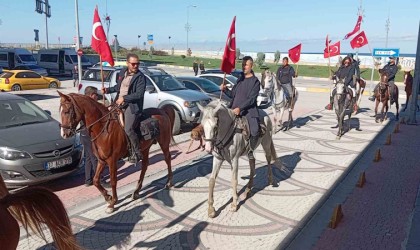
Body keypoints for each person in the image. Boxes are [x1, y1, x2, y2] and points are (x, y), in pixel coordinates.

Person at [102, 53, 146, 163]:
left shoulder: (141, 77)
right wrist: (107, 90)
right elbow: (118, 87)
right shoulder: (122, 72)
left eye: (137, 64)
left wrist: (125, 98)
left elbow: (139, 94)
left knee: (128, 129)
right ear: (127, 63)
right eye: (133, 64)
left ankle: (136, 152)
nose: (136, 66)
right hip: (117, 103)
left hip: (132, 106)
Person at [220, 56, 261, 160]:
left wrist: (240, 108)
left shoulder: (255, 81)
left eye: (246, 65)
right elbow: (233, 95)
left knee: (255, 130)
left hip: (248, 111)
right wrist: (225, 90)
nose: (244, 67)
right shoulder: (240, 79)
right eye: (242, 65)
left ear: (252, 66)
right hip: (233, 109)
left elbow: (251, 100)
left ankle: (250, 150)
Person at [81, 86, 99, 186]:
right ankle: (99, 179)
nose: (97, 97)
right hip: (88, 134)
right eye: (96, 94)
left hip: (83, 135)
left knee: (88, 157)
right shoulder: (89, 105)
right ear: (92, 95)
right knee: (94, 157)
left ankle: (88, 180)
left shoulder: (83, 104)